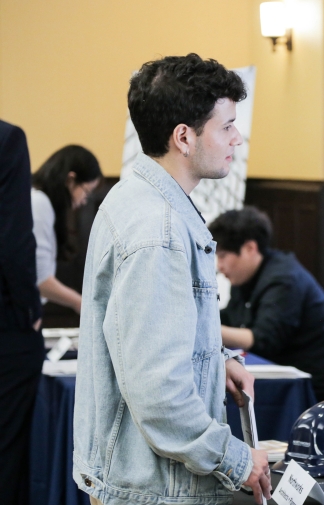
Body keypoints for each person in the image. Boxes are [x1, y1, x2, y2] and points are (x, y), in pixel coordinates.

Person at [73, 54, 271, 505]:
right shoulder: (157, 230)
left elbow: (151, 339)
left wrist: (215, 361)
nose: (236, 138)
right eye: (226, 127)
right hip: (151, 489)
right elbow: (158, 393)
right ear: (184, 136)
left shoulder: (138, 198)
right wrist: (237, 460)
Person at [209, 206, 324, 401]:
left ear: (249, 249)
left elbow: (264, 340)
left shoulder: (285, 279)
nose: (219, 266)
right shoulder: (244, 277)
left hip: (312, 390)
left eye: (222, 256)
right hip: (282, 380)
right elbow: (231, 316)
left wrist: (206, 329)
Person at [0, 119, 44, 505]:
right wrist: (30, 308)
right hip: (5, 324)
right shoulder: (6, 139)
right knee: (6, 453)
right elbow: (13, 237)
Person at [31, 145, 102, 314]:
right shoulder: (39, 203)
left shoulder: (38, 201)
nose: (85, 201)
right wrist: (80, 303)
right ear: (71, 180)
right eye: (87, 192)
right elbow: (40, 280)